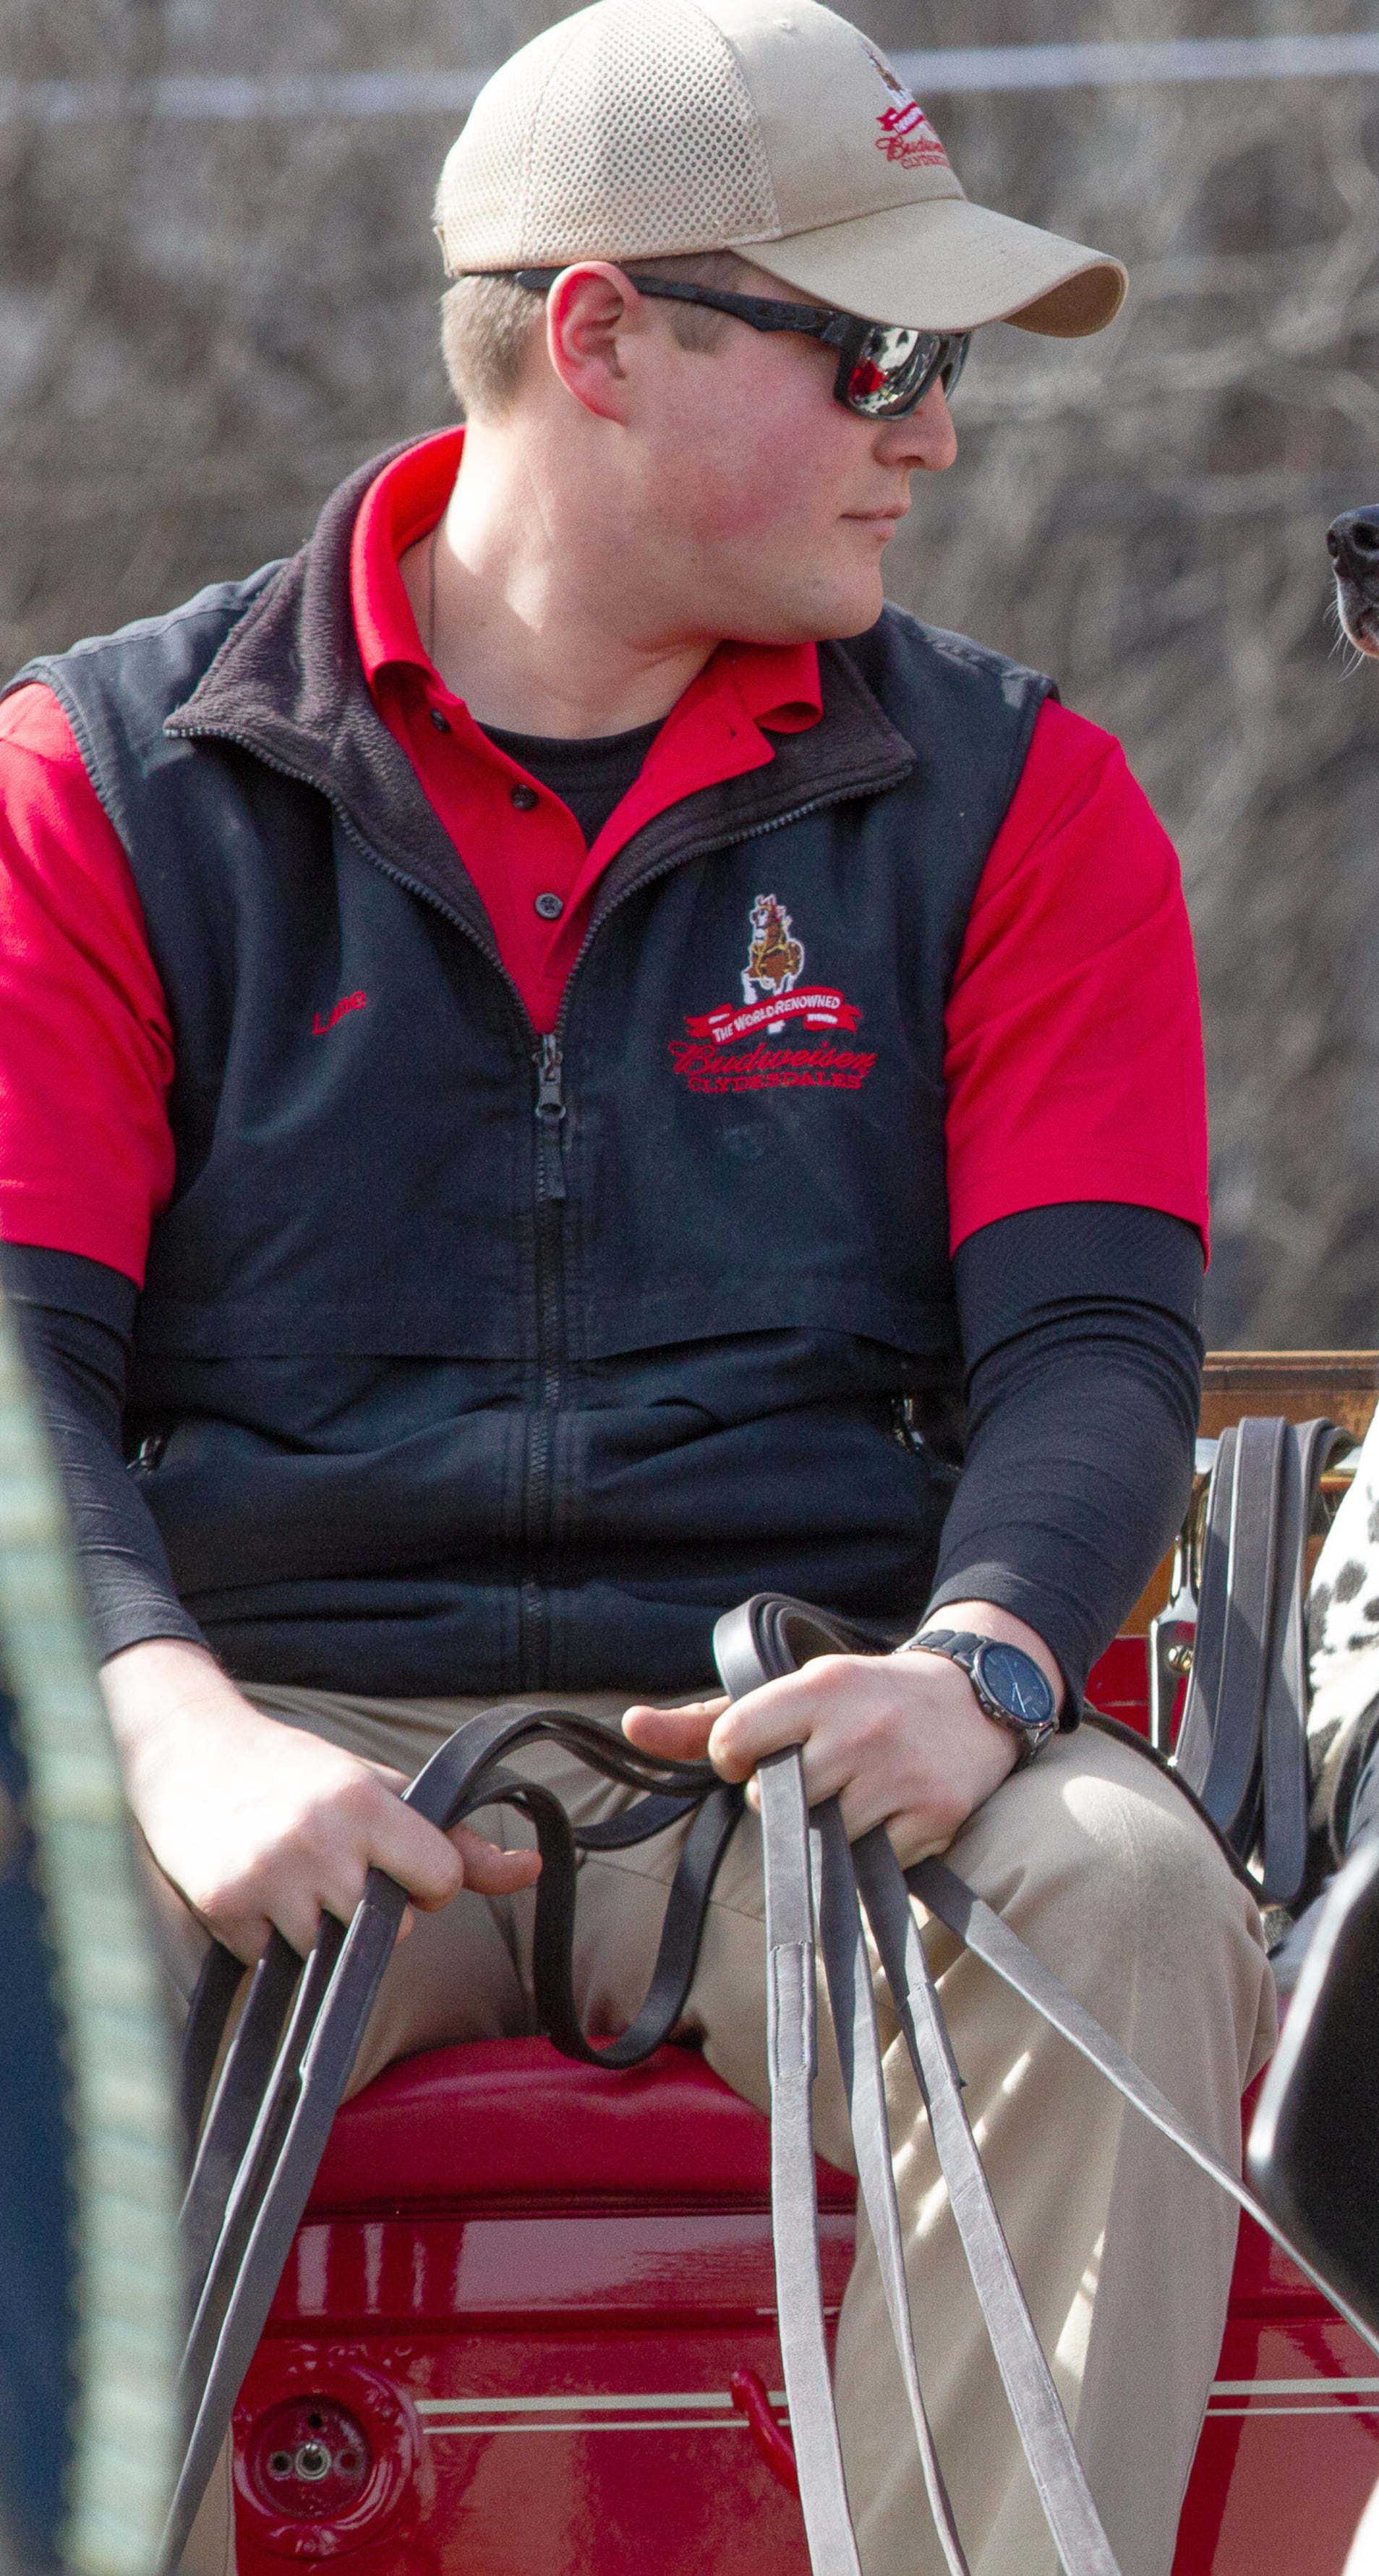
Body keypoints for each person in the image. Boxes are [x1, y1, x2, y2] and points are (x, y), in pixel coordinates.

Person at [0, 2, 1273, 2567]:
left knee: (1128, 1890)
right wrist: (168, 1738)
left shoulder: (1029, 798)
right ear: (600, 339)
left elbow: (1096, 1349)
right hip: (271, 1734)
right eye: (879, 353)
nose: (936, 430)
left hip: (814, 1728)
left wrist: (992, 1661)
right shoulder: (95, 787)